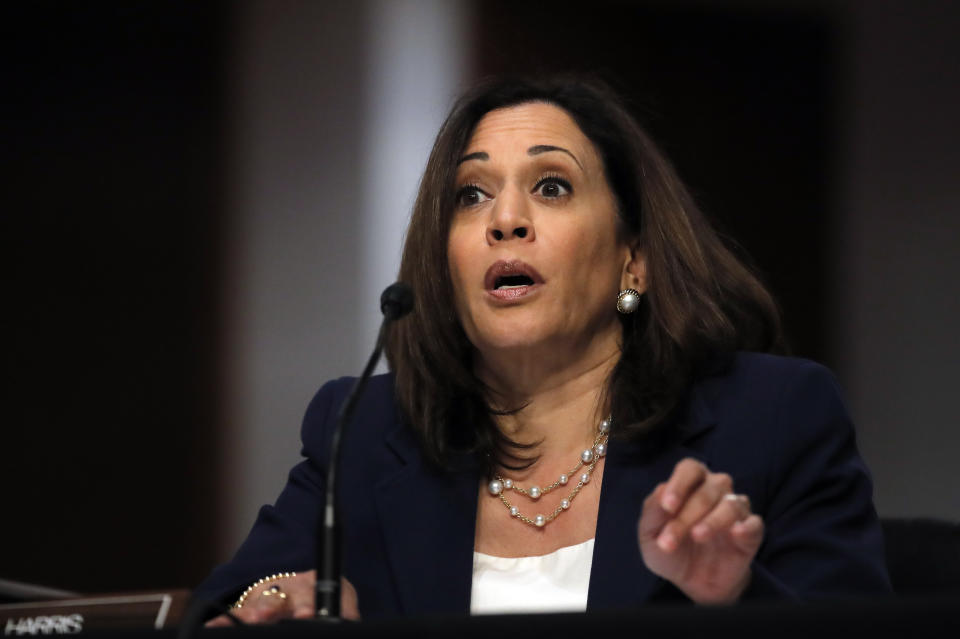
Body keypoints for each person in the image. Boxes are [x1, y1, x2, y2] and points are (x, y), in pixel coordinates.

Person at [199, 76, 891, 624]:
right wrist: (269, 599)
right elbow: (222, 603)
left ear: (635, 259)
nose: (505, 220)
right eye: (472, 195)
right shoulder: (365, 428)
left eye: (551, 186)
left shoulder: (771, 417)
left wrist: (735, 598)